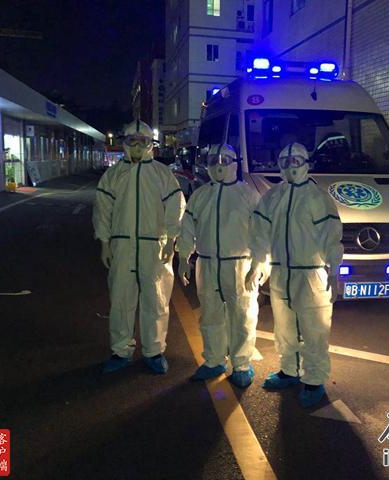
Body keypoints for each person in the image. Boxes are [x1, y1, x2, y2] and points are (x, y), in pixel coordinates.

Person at [246, 142, 343, 408]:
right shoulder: (273, 197)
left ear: (306, 163)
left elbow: (331, 235)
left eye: (296, 161)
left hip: (310, 274)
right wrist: (257, 262)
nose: (291, 167)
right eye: (286, 162)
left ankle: (314, 378)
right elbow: (260, 232)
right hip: (281, 273)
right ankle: (289, 370)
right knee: (285, 327)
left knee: (314, 329)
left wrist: (334, 270)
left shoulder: (317, 198)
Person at [93, 120, 185, 374]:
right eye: (131, 141)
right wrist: (104, 242)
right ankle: (121, 349)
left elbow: (176, 207)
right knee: (121, 299)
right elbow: (103, 210)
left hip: (154, 246)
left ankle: (154, 351)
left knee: (155, 300)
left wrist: (172, 240)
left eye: (141, 141)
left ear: (149, 144)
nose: (136, 146)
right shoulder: (113, 175)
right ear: (124, 143)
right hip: (122, 246)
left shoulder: (161, 174)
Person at [177, 144, 263, 387]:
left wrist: (259, 263)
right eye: (214, 160)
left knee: (242, 315)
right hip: (207, 263)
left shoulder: (248, 195)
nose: (219, 165)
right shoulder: (201, 195)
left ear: (235, 163)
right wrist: (184, 257)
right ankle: (214, 359)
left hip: (240, 264)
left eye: (225, 160)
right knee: (210, 315)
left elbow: (262, 232)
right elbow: (187, 228)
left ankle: (241, 363)